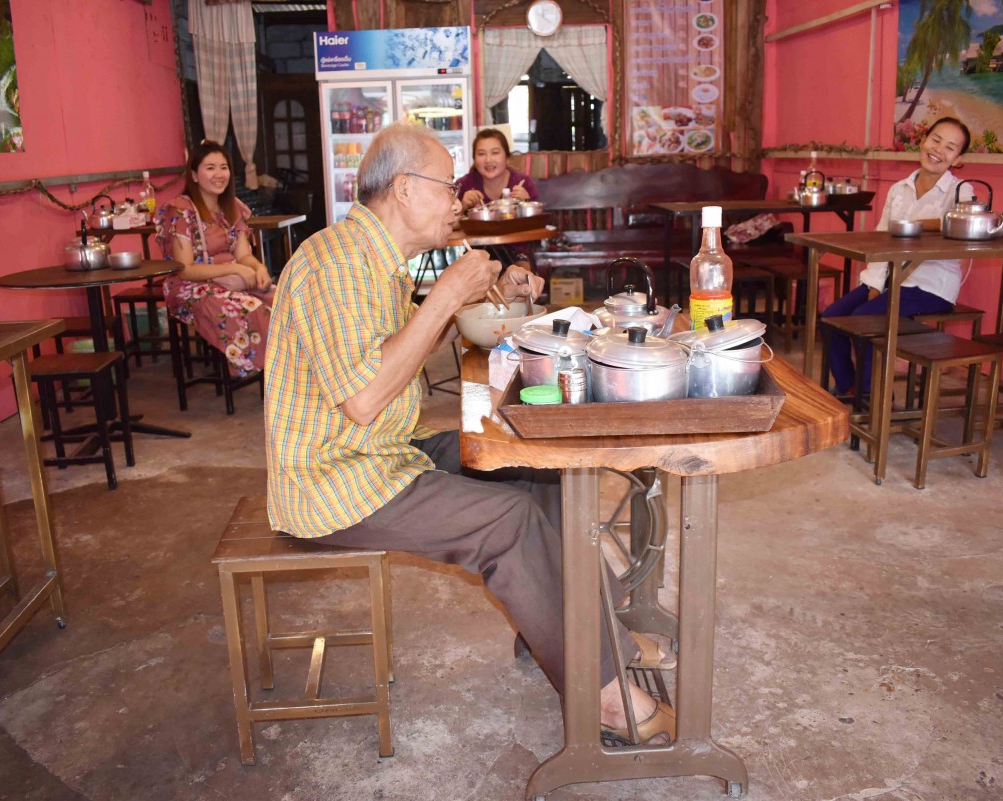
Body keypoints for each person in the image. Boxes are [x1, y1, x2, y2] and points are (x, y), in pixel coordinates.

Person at [265, 123, 675, 745]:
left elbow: (397, 349)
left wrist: (477, 297)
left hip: (381, 453)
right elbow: (364, 399)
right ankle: (606, 698)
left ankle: (588, 634)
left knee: (529, 458)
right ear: (404, 189)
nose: (457, 199)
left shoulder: (374, 258)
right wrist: (446, 297)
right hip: (334, 477)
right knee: (505, 520)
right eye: (445, 185)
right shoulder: (338, 262)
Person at [821, 116, 974, 394]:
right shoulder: (899, 189)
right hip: (891, 279)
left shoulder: (961, 190)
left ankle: (875, 399)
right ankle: (850, 387)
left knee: (865, 319)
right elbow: (882, 240)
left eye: (950, 147)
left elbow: (960, 221)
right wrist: (875, 285)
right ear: (923, 140)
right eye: (936, 140)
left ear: (958, 159)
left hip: (930, 285)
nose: (938, 150)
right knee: (832, 317)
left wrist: (919, 225)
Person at [155, 140, 274, 377]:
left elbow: (243, 255)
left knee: (284, 301)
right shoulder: (180, 210)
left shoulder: (233, 208)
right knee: (254, 308)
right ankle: (271, 371)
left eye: (223, 167)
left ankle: (291, 369)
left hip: (229, 281)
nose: (219, 174)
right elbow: (185, 269)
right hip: (190, 287)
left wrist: (258, 268)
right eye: (210, 168)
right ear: (194, 175)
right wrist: (237, 270)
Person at [456, 128, 540, 270]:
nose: (488, 160)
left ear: (507, 157)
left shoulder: (522, 181)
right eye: (481, 154)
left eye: (495, 153)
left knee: (523, 280)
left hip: (518, 253)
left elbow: (538, 224)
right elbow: (447, 222)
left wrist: (527, 203)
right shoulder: (465, 184)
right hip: (477, 253)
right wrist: (462, 206)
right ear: (474, 159)